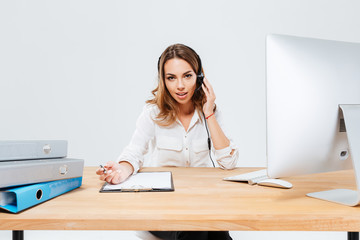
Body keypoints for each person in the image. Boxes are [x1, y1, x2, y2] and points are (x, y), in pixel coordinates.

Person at [96, 43, 239, 240]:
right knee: (195, 227)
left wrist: (208, 114)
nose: (179, 85)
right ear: (163, 80)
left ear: (199, 78)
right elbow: (134, 152)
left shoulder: (210, 112)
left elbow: (228, 162)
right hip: (161, 205)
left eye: (187, 76)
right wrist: (121, 170)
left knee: (218, 232)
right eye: (171, 78)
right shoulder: (153, 113)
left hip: (200, 202)